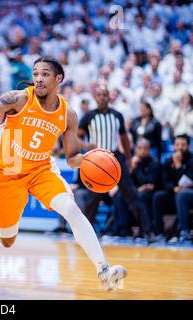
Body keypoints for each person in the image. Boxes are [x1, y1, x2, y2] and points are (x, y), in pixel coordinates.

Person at [0, 57, 127, 290]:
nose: (39, 79)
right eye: (35, 74)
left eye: (45, 74)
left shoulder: (67, 114)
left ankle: (103, 269)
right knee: (7, 239)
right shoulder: (20, 98)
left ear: (58, 79)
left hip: (41, 169)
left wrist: (90, 159)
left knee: (71, 209)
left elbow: (72, 159)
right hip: (8, 170)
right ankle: (2, 211)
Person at [78, 85, 157, 244]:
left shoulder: (117, 115)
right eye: (99, 95)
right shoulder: (89, 116)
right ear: (95, 97)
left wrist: (128, 157)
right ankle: (85, 235)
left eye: (105, 95)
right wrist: (86, 146)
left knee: (132, 195)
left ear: (109, 97)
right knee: (92, 200)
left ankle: (148, 232)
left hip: (115, 160)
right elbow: (77, 136)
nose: (102, 97)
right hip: (96, 161)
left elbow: (124, 138)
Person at [114, 138, 162, 239]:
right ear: (135, 149)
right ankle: (123, 229)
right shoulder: (130, 162)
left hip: (151, 192)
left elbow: (149, 182)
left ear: (149, 150)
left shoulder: (154, 162)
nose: (142, 151)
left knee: (140, 197)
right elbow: (126, 182)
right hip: (136, 190)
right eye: (140, 148)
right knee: (119, 195)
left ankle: (143, 230)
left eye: (145, 148)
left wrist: (136, 168)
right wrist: (131, 169)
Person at [153, 134, 193, 244]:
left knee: (182, 194)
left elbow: (189, 181)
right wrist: (173, 188)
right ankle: (159, 232)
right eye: (177, 144)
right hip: (174, 194)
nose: (180, 147)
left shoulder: (191, 160)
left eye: (183, 144)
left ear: (188, 146)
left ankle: (184, 232)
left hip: (189, 196)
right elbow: (164, 182)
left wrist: (178, 165)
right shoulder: (168, 161)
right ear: (173, 146)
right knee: (158, 197)